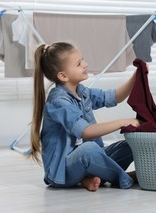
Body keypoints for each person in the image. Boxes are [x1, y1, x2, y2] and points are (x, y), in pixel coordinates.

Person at [28, 42, 140, 191]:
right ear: (63, 75)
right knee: (88, 150)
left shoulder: (82, 91)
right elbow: (85, 131)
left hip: (88, 160)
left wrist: (134, 78)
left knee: (132, 143)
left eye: (83, 60)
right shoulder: (58, 102)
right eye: (79, 63)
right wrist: (122, 122)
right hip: (63, 171)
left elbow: (113, 97)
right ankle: (125, 178)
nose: (85, 64)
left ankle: (87, 179)